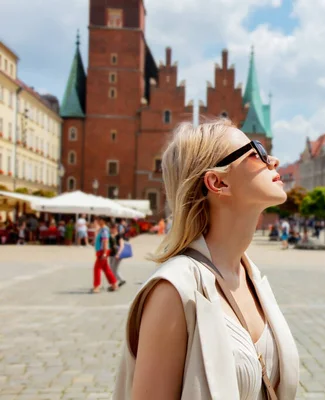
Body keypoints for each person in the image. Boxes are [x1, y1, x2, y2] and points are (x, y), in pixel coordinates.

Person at [114, 120, 299, 400]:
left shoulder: (252, 276)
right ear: (218, 182)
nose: (272, 160)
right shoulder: (174, 291)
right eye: (255, 151)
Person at [92, 217, 119, 293]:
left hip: (103, 251)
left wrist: (104, 253)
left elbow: (105, 241)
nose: (97, 222)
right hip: (100, 251)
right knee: (106, 268)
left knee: (97, 269)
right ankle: (114, 284)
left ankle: (96, 286)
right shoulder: (101, 229)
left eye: (99, 220)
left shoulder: (104, 229)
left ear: (103, 221)